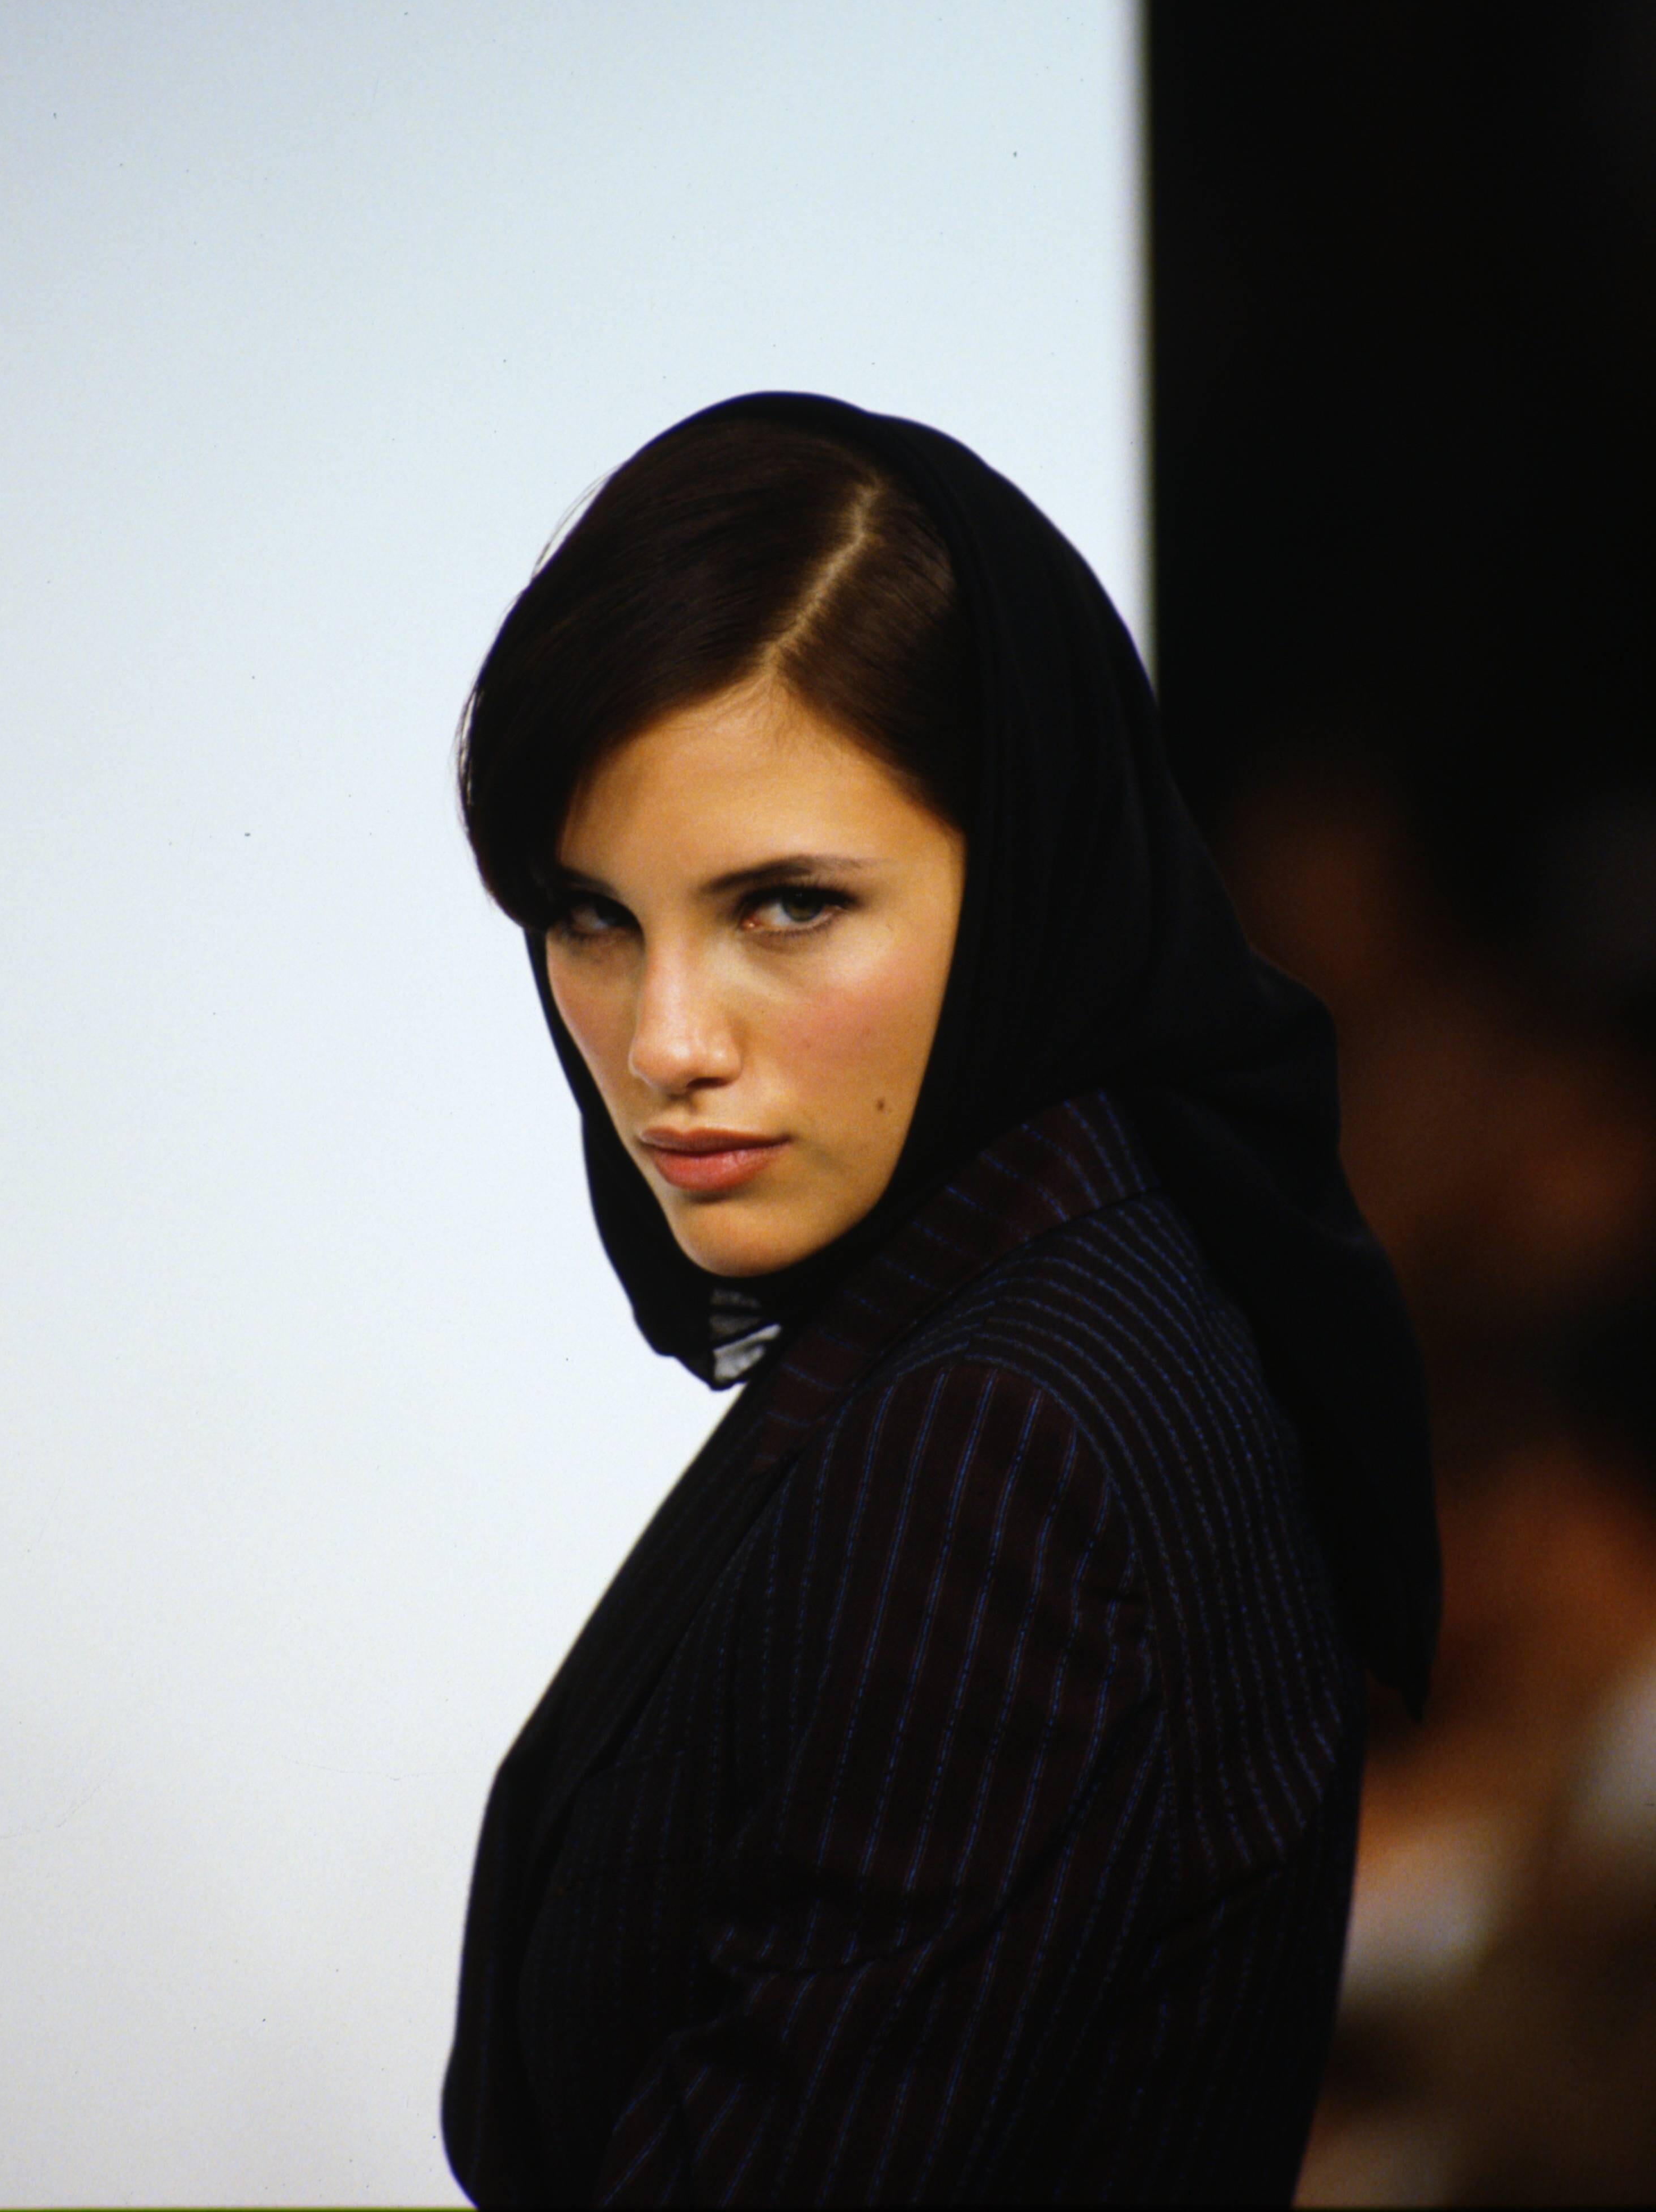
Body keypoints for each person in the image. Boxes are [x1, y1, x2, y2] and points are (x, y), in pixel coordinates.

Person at [440, 394, 1440, 2207]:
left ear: (1031, 873)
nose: (665, 1043)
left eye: (787, 907)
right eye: (593, 918)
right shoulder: (1082, 1288)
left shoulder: (1001, 1448)